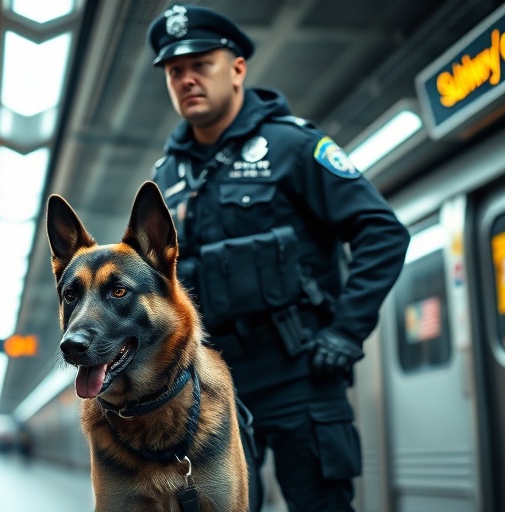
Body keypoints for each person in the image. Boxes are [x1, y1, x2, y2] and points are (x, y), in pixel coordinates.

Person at [146, 5, 410, 512]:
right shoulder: (168, 175)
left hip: (299, 372)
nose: (186, 79)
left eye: (201, 64)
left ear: (238, 68)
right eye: (175, 71)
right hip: (211, 383)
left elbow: (382, 231)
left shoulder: (292, 146)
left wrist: (346, 331)